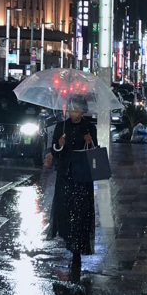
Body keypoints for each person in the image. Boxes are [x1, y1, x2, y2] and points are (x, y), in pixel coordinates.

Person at [45, 97, 98, 284]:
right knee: (66, 210)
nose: (72, 111)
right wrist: (59, 144)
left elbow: (95, 154)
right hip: (65, 175)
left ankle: (77, 251)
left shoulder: (89, 128)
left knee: (81, 211)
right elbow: (54, 151)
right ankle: (69, 240)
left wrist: (90, 143)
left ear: (83, 111)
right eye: (70, 108)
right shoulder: (62, 127)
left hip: (82, 176)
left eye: (75, 109)